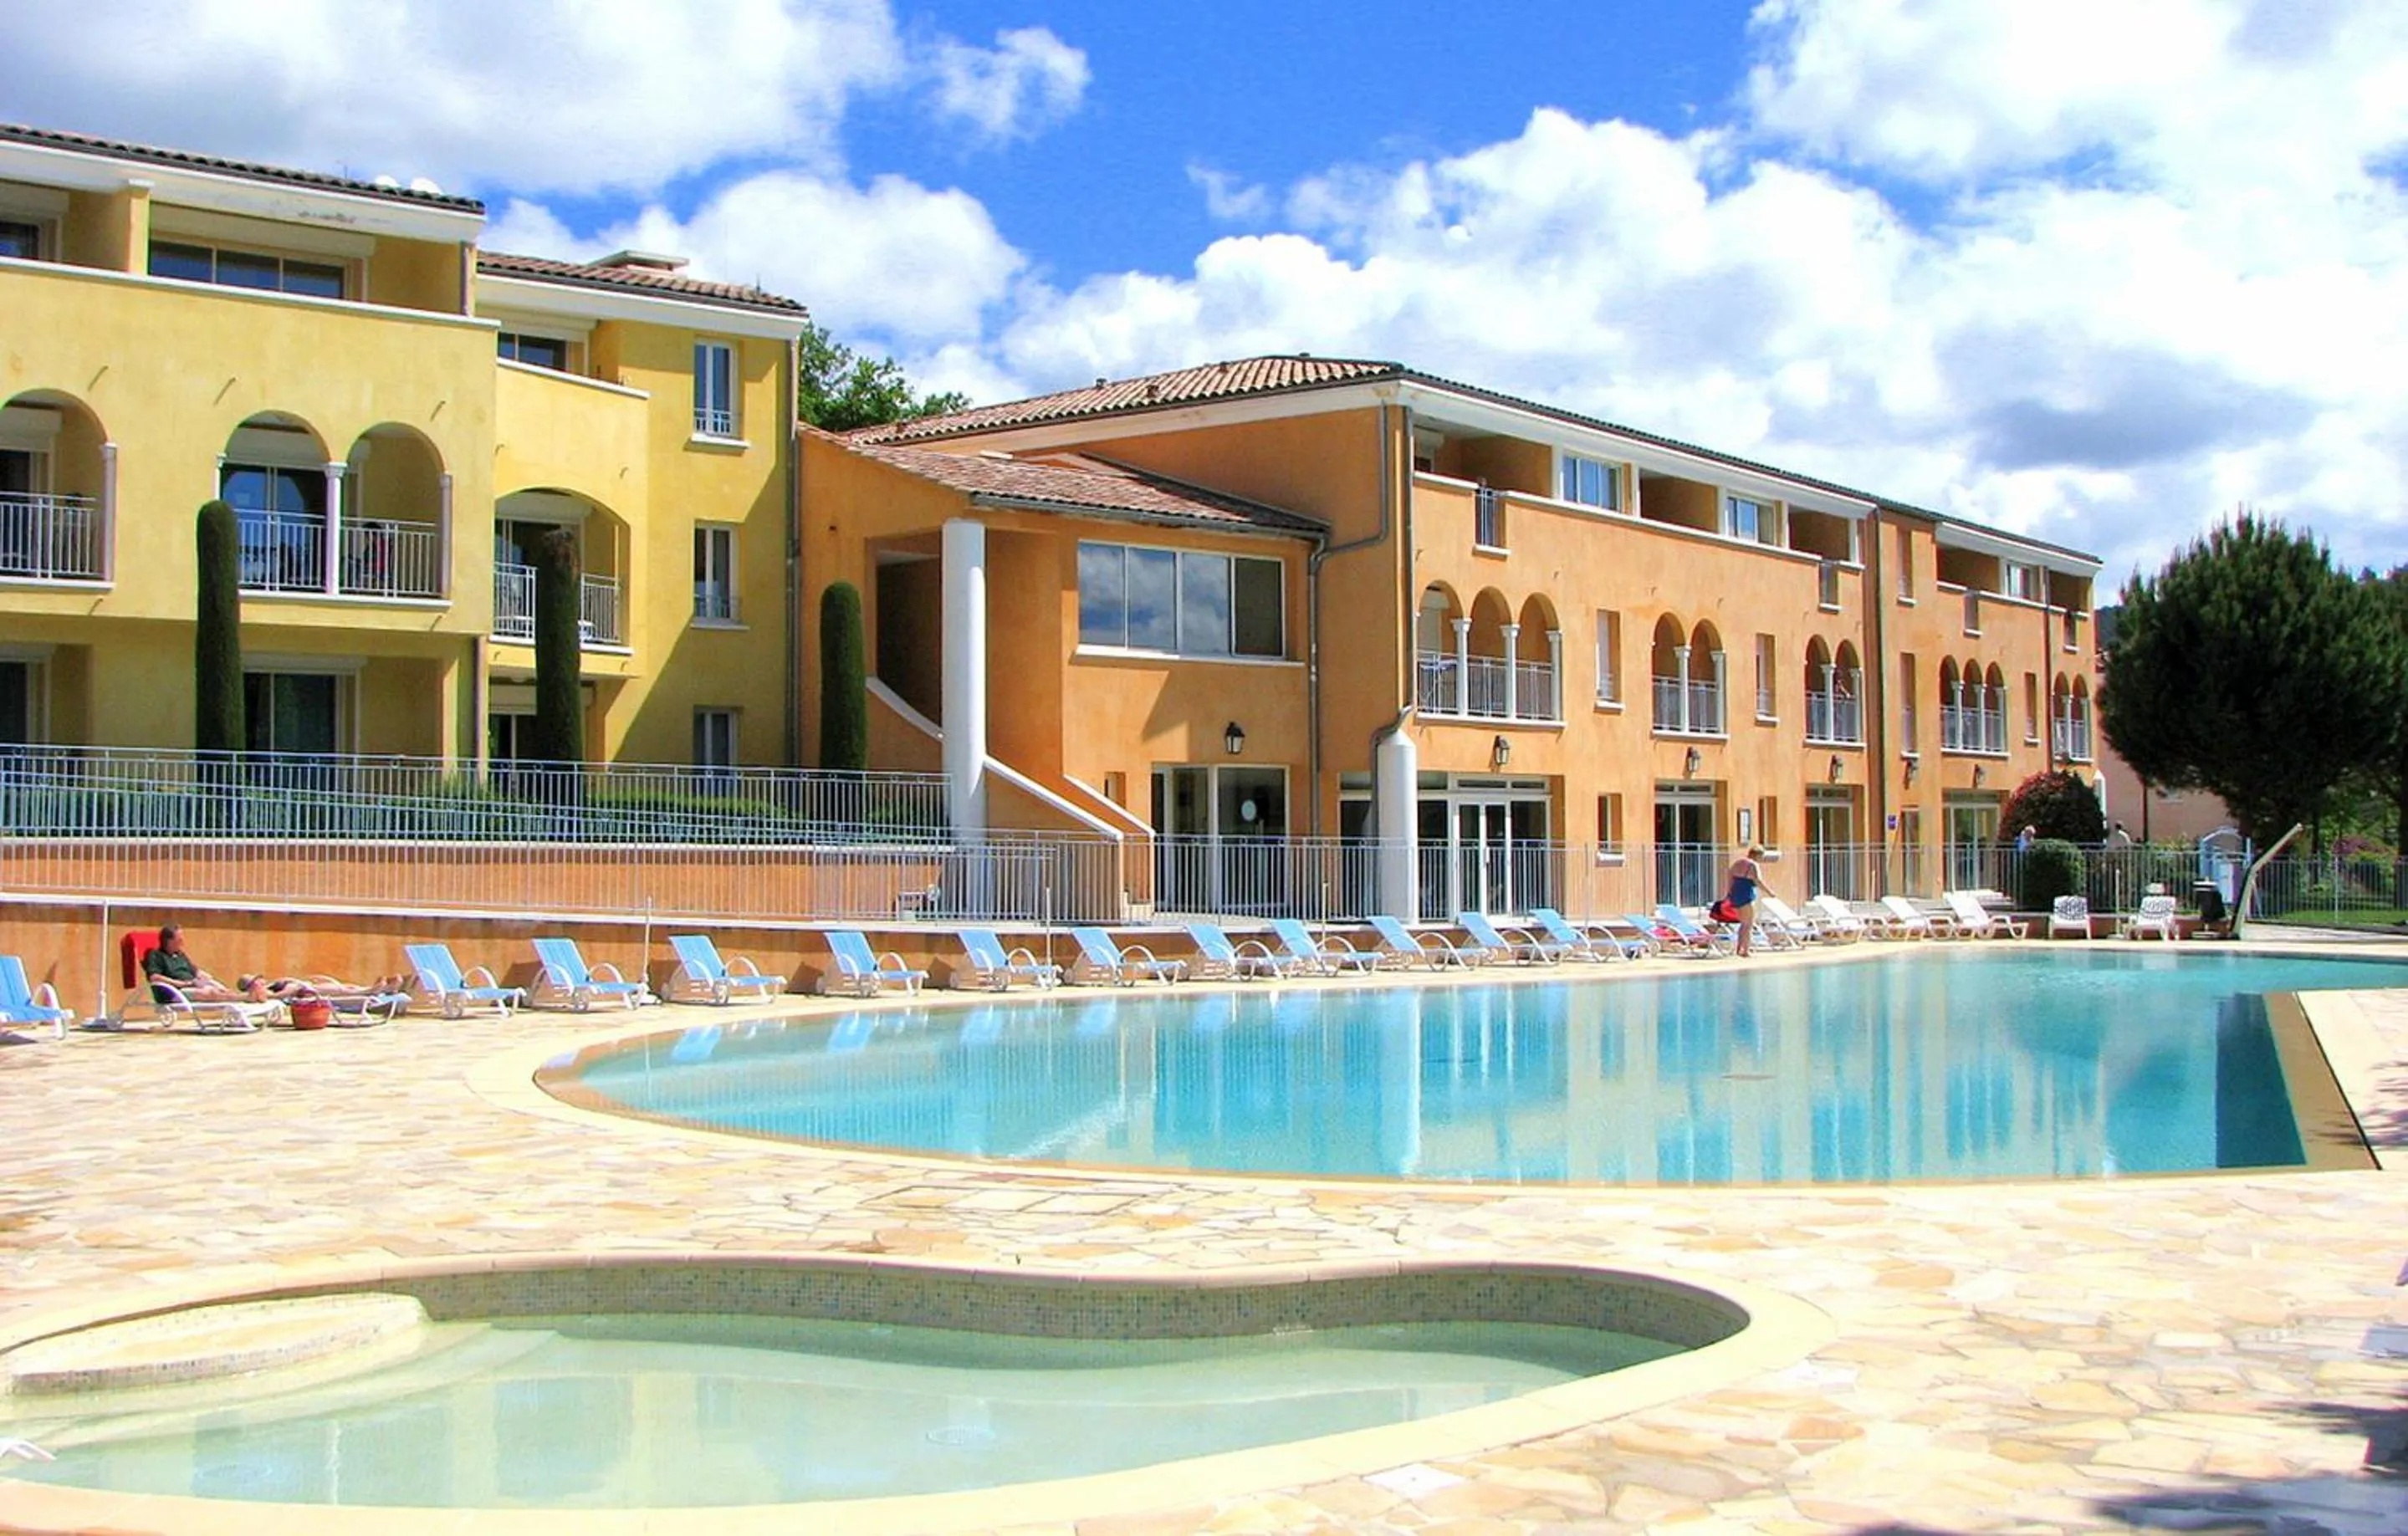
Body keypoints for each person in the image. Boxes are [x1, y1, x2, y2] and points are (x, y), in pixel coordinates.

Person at [143, 923, 267, 1004]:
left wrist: (208, 979)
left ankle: (251, 995)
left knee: (220, 989)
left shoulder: (180, 955)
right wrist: (180, 983)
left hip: (191, 985)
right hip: (174, 992)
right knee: (211, 993)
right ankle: (247, 998)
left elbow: (195, 971)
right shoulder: (156, 955)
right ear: (169, 941)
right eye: (179, 939)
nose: (183, 942)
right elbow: (154, 977)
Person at [1723, 845, 1769, 957]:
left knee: (1743, 924)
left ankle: (1739, 948)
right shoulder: (1753, 865)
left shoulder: (1737, 863)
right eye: (1761, 856)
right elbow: (1758, 881)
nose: (1762, 859)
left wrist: (1729, 893)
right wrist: (1769, 892)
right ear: (1757, 855)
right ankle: (1746, 951)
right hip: (1747, 894)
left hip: (1736, 894)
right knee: (1749, 924)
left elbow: (1730, 878)